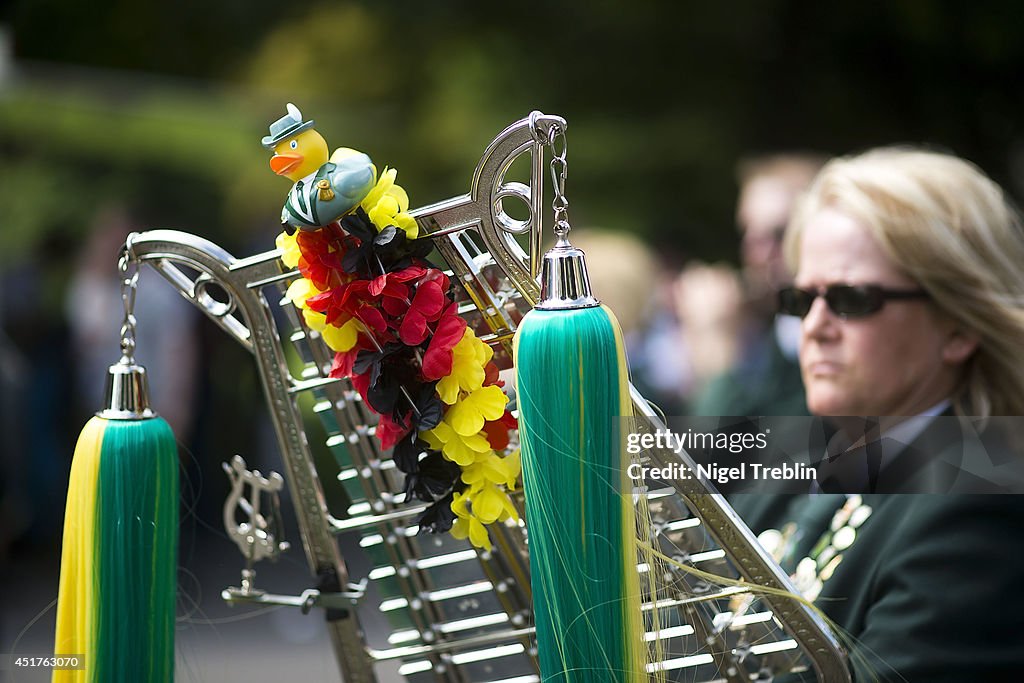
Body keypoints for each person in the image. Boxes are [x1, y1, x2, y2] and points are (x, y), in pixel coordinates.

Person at [735, 148, 1024, 681]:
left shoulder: (979, 508)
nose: (815, 326)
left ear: (958, 327)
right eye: (803, 299)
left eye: (852, 299)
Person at [677, 154, 824, 416]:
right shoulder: (772, 327)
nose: (755, 255)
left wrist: (715, 346)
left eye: (779, 234)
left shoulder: (823, 334)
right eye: (747, 232)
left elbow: (721, 450)